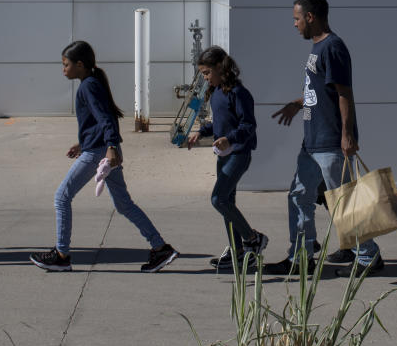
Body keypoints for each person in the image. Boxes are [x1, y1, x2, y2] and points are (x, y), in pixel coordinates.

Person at [30, 41, 178, 274]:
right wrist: (84, 143)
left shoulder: (88, 85)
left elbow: (106, 119)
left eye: (65, 64)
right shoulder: (93, 82)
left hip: (99, 153)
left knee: (62, 197)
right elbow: (102, 118)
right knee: (124, 205)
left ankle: (61, 255)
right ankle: (160, 248)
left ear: (80, 64)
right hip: (100, 149)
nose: (63, 69)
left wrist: (110, 146)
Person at [267, 0, 384, 275]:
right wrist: (298, 104)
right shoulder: (318, 48)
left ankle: (368, 257)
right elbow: (322, 92)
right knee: (299, 196)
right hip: (312, 141)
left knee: (344, 200)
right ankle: (301, 257)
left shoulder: (333, 47)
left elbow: (344, 92)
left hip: (331, 140)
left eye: (297, 19)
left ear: (310, 17)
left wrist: (347, 135)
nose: (294, 25)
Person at [186, 46, 268, 271]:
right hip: (224, 154)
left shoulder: (239, 93)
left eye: (206, 72)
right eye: (202, 73)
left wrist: (229, 139)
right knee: (226, 203)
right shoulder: (217, 93)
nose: (204, 77)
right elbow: (221, 123)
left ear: (220, 68)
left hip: (239, 154)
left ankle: (252, 239)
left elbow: (248, 125)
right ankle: (237, 252)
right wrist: (201, 133)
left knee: (218, 199)